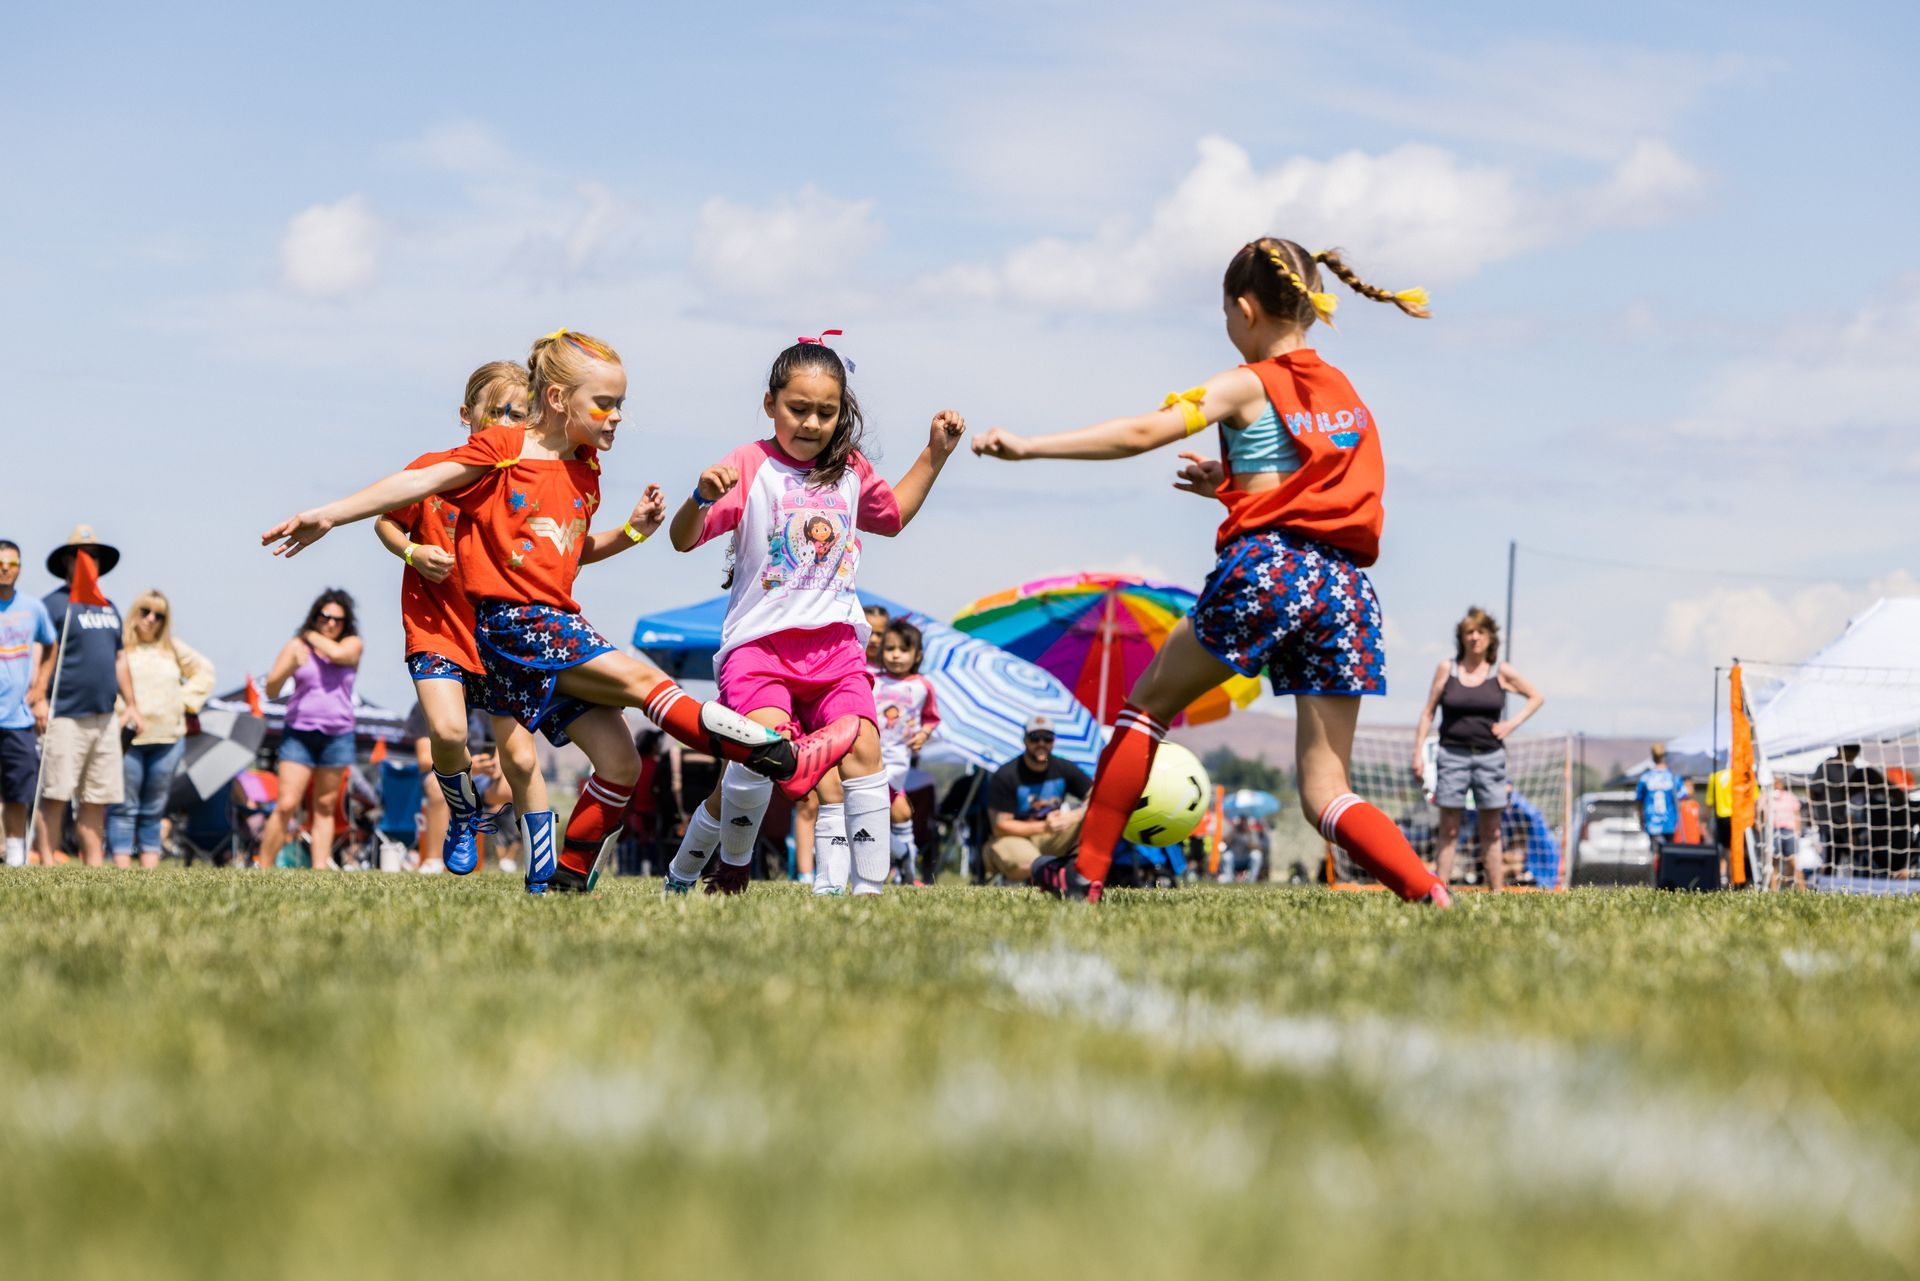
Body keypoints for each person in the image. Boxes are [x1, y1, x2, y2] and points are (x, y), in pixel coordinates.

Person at [262, 329, 858, 895]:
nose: (618, 415)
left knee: (621, 763)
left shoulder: (584, 470)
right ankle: (781, 756)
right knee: (642, 681)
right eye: (605, 402)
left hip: (552, 623)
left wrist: (630, 531)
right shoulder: (503, 448)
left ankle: (564, 884)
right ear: (556, 398)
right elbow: (420, 481)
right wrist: (333, 513)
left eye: (621, 403)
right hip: (512, 627)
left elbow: (566, 559)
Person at [974, 236, 1449, 906]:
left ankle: (1084, 874)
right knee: (1326, 792)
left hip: (1269, 571)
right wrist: (1229, 482)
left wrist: (1031, 446)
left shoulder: (1246, 382)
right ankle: (1428, 888)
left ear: (1246, 309)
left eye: (1226, 316)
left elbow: (1144, 432)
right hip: (1343, 588)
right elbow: (1314, 482)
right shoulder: (1343, 390)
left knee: (1146, 708)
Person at [658, 336, 965, 896]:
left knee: (866, 749)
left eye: (826, 412)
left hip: (835, 649)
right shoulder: (749, 465)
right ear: (771, 402)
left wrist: (935, 454)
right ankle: (718, 871)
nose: (812, 423)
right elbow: (683, 540)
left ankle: (868, 895)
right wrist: (699, 498)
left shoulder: (849, 468)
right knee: (752, 764)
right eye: (798, 409)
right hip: (760, 649)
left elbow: (891, 517)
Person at [371, 360, 559, 874]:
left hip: (501, 633)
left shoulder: (529, 479)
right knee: (449, 735)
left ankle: (545, 872)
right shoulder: (435, 468)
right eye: (496, 411)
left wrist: (632, 532)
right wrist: (412, 552)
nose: (506, 421)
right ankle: (461, 811)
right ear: (466, 414)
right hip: (436, 627)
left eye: (519, 414)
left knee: (520, 759)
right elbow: (386, 522)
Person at [32, 525, 141, 867]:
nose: (87, 561)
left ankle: (94, 863)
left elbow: (119, 658)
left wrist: (133, 704)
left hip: (104, 717)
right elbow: (40, 654)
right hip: (63, 714)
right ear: (67, 560)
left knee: (97, 796)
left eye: (93, 556)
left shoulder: (109, 607)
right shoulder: (52, 605)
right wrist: (37, 699)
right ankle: (47, 860)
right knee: (55, 793)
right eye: (81, 555)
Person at [1412, 607, 1543, 889]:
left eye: (1480, 632)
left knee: (1492, 829)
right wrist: (1418, 754)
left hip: (1490, 757)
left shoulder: (1500, 671)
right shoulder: (1448, 669)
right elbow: (1427, 712)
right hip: (1452, 755)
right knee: (1449, 826)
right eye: (1468, 632)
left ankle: (1496, 891)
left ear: (1489, 637)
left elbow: (1536, 696)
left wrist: (1511, 724)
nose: (1474, 637)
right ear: (1461, 637)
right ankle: (1439, 890)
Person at [255, 589, 362, 870]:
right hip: (299, 733)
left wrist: (310, 634)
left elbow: (338, 654)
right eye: (324, 617)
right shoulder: (295, 647)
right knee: (287, 803)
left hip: (338, 735)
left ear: (345, 623)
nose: (330, 623)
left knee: (325, 807)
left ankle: (319, 868)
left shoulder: (352, 644)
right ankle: (263, 866)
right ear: (316, 616)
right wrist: (290, 664)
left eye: (337, 620)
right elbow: (271, 688)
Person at [110, 590, 215, 869]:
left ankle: (149, 868)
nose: (151, 619)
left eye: (159, 615)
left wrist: (183, 701)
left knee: (154, 808)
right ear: (135, 613)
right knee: (123, 805)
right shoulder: (120, 647)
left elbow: (205, 672)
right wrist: (118, 710)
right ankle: (121, 867)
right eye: (145, 611)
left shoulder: (172, 647)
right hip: (128, 737)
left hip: (167, 737)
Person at [0, 539, 56, 867]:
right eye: (0, 563)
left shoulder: (33, 608)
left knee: (18, 791)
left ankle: (17, 855)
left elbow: (50, 644)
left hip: (17, 718)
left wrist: (41, 686)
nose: (5, 569)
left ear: (20, 568)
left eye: (12, 563)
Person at [983, 715, 1091, 883]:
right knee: (1029, 863)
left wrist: (1074, 816)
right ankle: (1051, 875)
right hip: (1014, 838)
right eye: (1035, 738)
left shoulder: (1064, 767)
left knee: (1095, 817)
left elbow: (1096, 794)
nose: (1041, 743)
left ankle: (1080, 874)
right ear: (1025, 740)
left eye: (1047, 738)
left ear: (1053, 741)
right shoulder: (1006, 775)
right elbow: (1000, 827)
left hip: (1052, 836)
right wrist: (1044, 825)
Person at [873, 618, 940, 884]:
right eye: (890, 649)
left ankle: (900, 855)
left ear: (917, 655)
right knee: (870, 808)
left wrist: (923, 734)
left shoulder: (922, 687)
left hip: (897, 760)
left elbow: (932, 718)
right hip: (868, 755)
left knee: (872, 806)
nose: (896, 655)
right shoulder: (873, 680)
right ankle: (902, 857)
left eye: (903, 649)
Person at [1634, 743, 1681, 851]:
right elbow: (1683, 796)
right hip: (1670, 823)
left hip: (1652, 823)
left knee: (1656, 854)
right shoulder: (1673, 777)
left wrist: (1641, 819)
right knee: (1669, 854)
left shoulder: (1646, 777)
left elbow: (1639, 801)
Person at [1766, 774, 1805, 891]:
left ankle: (1802, 889)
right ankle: (1773, 890)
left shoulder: (1790, 797)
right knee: (1774, 862)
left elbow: (1797, 815)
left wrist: (1798, 832)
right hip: (1773, 831)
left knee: (1793, 862)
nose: (1777, 783)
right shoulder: (1766, 796)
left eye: (1779, 781)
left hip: (1788, 831)